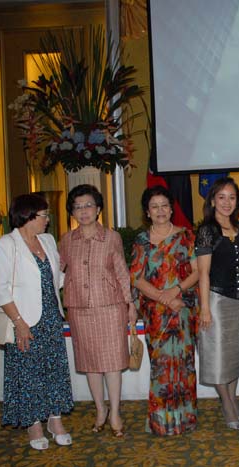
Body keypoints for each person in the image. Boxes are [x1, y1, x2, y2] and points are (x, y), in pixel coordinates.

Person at [0, 194, 73, 450]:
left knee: (54, 371)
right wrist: (19, 323)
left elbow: (56, 278)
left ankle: (55, 421)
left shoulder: (47, 240)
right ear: (28, 216)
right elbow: (0, 289)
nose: (48, 220)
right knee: (29, 374)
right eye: (44, 215)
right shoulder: (6, 245)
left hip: (51, 317)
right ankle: (34, 424)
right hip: (24, 320)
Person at [58, 184, 137, 438]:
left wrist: (130, 304)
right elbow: (57, 272)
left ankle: (115, 412)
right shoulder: (66, 240)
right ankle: (100, 410)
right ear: (72, 212)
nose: (83, 211)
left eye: (88, 205)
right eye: (77, 207)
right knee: (90, 363)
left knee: (112, 363)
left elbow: (122, 272)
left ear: (99, 209)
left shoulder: (112, 237)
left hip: (110, 307)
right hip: (79, 309)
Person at [129, 185, 199, 436]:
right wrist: (164, 297)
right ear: (147, 212)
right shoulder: (141, 240)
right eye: (154, 206)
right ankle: (161, 421)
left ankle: (185, 419)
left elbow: (198, 272)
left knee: (183, 364)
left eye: (164, 206)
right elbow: (136, 278)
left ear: (171, 209)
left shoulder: (187, 236)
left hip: (183, 310)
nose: (160, 211)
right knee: (161, 365)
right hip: (156, 313)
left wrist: (176, 291)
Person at [196, 177, 239, 430]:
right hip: (216, 301)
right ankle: (227, 404)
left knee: (233, 356)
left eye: (232, 197)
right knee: (217, 356)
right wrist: (205, 308)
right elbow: (203, 273)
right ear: (212, 201)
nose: (227, 202)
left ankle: (232, 398)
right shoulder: (207, 230)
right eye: (222, 197)